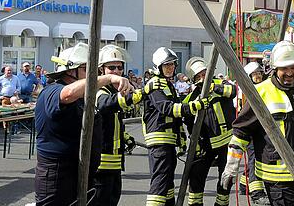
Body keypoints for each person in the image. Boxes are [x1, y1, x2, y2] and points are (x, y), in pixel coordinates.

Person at [220, 41, 294, 205]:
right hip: (277, 176)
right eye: (284, 68)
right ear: (275, 69)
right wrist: (231, 165)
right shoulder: (261, 92)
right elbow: (242, 131)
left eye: (293, 67)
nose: (289, 73)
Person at [35, 43, 132, 206]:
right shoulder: (52, 91)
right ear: (71, 70)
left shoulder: (83, 97)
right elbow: (68, 94)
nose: (93, 75)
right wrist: (108, 78)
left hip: (82, 174)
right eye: (88, 69)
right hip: (58, 177)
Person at [143, 47, 210, 206]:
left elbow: (176, 118)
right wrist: (195, 106)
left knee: (167, 183)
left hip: (168, 141)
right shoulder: (155, 84)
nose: (171, 68)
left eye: (172, 64)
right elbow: (168, 108)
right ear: (158, 67)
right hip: (159, 140)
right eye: (167, 65)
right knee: (160, 182)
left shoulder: (168, 84)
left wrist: (181, 140)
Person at [182, 57, 237, 206]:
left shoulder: (221, 84)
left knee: (226, 178)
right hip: (205, 144)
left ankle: (221, 203)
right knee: (196, 176)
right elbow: (188, 122)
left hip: (227, 142)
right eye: (199, 76)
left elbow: (233, 91)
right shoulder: (190, 98)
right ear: (194, 79)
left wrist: (213, 88)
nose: (202, 78)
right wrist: (196, 142)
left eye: (204, 74)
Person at [94, 44, 145, 206]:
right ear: (102, 69)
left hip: (115, 163)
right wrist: (138, 95)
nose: (116, 71)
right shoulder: (98, 90)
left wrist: (125, 137)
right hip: (100, 164)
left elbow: (111, 121)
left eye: (119, 68)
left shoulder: (113, 92)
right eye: (111, 68)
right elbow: (106, 105)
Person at [236, 62, 270, 205]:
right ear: (249, 76)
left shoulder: (256, 88)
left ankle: (244, 185)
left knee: (252, 159)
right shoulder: (248, 91)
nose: (258, 76)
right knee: (255, 159)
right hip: (251, 130)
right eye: (255, 74)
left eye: (259, 73)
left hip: (257, 129)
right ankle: (257, 193)